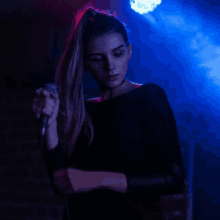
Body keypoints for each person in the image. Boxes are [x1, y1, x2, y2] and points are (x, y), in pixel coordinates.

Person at [32, 4, 186, 220]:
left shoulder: (149, 97)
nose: (110, 66)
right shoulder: (83, 110)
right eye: (97, 58)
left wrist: (97, 179)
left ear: (129, 51)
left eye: (117, 53)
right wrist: (49, 125)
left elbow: (174, 178)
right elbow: (62, 185)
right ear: (86, 62)